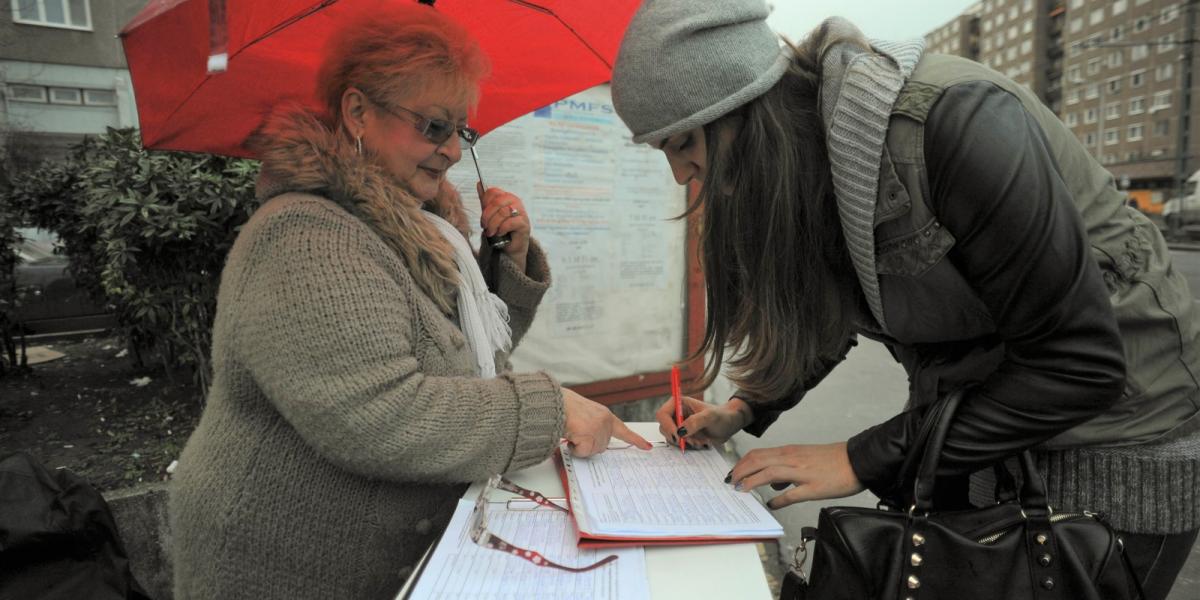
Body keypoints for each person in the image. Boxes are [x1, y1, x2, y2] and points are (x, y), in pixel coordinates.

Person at [610, 2, 1200, 599]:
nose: (683, 174)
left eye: (685, 142)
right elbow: (838, 308)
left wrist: (861, 458)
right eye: (661, 149)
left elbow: (1081, 363)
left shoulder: (957, 121)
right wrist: (744, 410)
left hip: (1115, 442)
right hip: (976, 427)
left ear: (751, 106)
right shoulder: (811, 158)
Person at [169, 5, 648, 599]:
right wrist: (546, 409)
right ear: (357, 111)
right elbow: (376, 414)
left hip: (380, 560)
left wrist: (503, 266)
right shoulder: (307, 235)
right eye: (433, 126)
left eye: (460, 131)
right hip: (284, 569)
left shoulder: (409, 229)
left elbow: (460, 356)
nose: (451, 150)